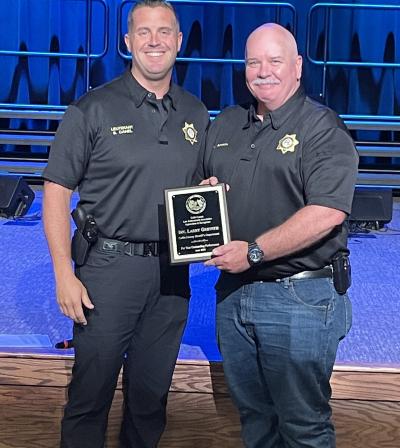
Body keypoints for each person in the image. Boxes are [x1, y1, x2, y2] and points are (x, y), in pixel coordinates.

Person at [42, 1, 209, 447]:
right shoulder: (91, 109)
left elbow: (197, 191)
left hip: (172, 275)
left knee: (150, 402)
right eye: (144, 32)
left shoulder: (195, 113)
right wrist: (63, 274)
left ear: (179, 41)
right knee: (89, 399)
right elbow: (56, 192)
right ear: (127, 42)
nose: (154, 41)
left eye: (164, 32)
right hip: (107, 273)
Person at [198, 23, 358, 448]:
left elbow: (326, 213)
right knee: (255, 421)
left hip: (300, 300)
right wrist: (207, 195)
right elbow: (205, 190)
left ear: (298, 67)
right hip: (233, 294)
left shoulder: (322, 128)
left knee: (304, 425)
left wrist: (254, 251)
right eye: (254, 62)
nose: (263, 71)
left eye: (274, 61)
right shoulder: (228, 124)